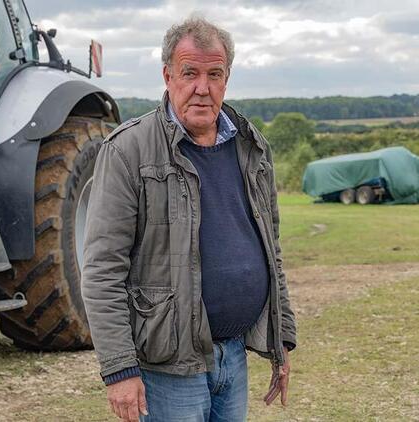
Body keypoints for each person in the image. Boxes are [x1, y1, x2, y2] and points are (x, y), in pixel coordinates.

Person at [81, 17, 297, 422]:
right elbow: (101, 270)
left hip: (233, 354)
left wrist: (281, 338)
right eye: (190, 73)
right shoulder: (128, 150)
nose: (203, 87)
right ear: (168, 76)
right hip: (167, 367)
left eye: (214, 74)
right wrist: (119, 370)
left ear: (227, 78)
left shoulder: (252, 148)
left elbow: (272, 251)